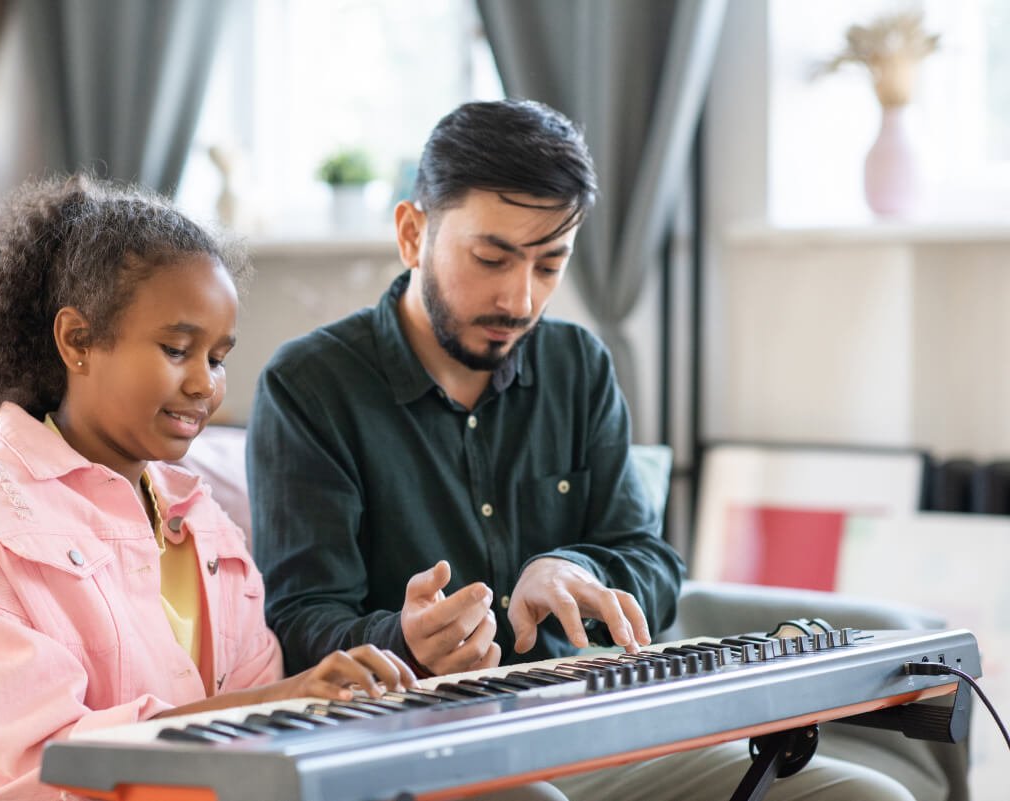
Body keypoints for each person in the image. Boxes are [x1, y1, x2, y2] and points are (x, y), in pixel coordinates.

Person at [247, 100, 916, 801]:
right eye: (491, 257)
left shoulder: (577, 366)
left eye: (549, 264)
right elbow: (296, 623)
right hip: (408, 743)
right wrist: (405, 639)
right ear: (413, 233)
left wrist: (574, 565)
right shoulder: (309, 386)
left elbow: (653, 563)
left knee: (869, 796)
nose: (519, 297)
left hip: (582, 727)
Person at [0, 175, 426, 801]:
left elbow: (253, 747)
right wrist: (279, 702)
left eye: (219, 357)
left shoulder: (205, 527)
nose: (205, 385)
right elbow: (41, 768)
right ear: (77, 341)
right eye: (178, 349)